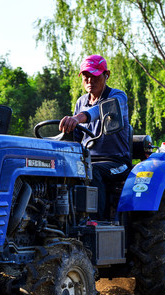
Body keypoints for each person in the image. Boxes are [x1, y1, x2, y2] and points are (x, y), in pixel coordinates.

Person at [59, 55, 131, 219]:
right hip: (87, 159)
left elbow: (101, 110)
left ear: (107, 75)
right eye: (86, 77)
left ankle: (95, 222)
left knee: (92, 171)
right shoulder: (81, 101)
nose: (90, 80)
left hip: (116, 161)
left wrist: (78, 118)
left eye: (95, 76)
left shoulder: (118, 96)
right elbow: (76, 136)